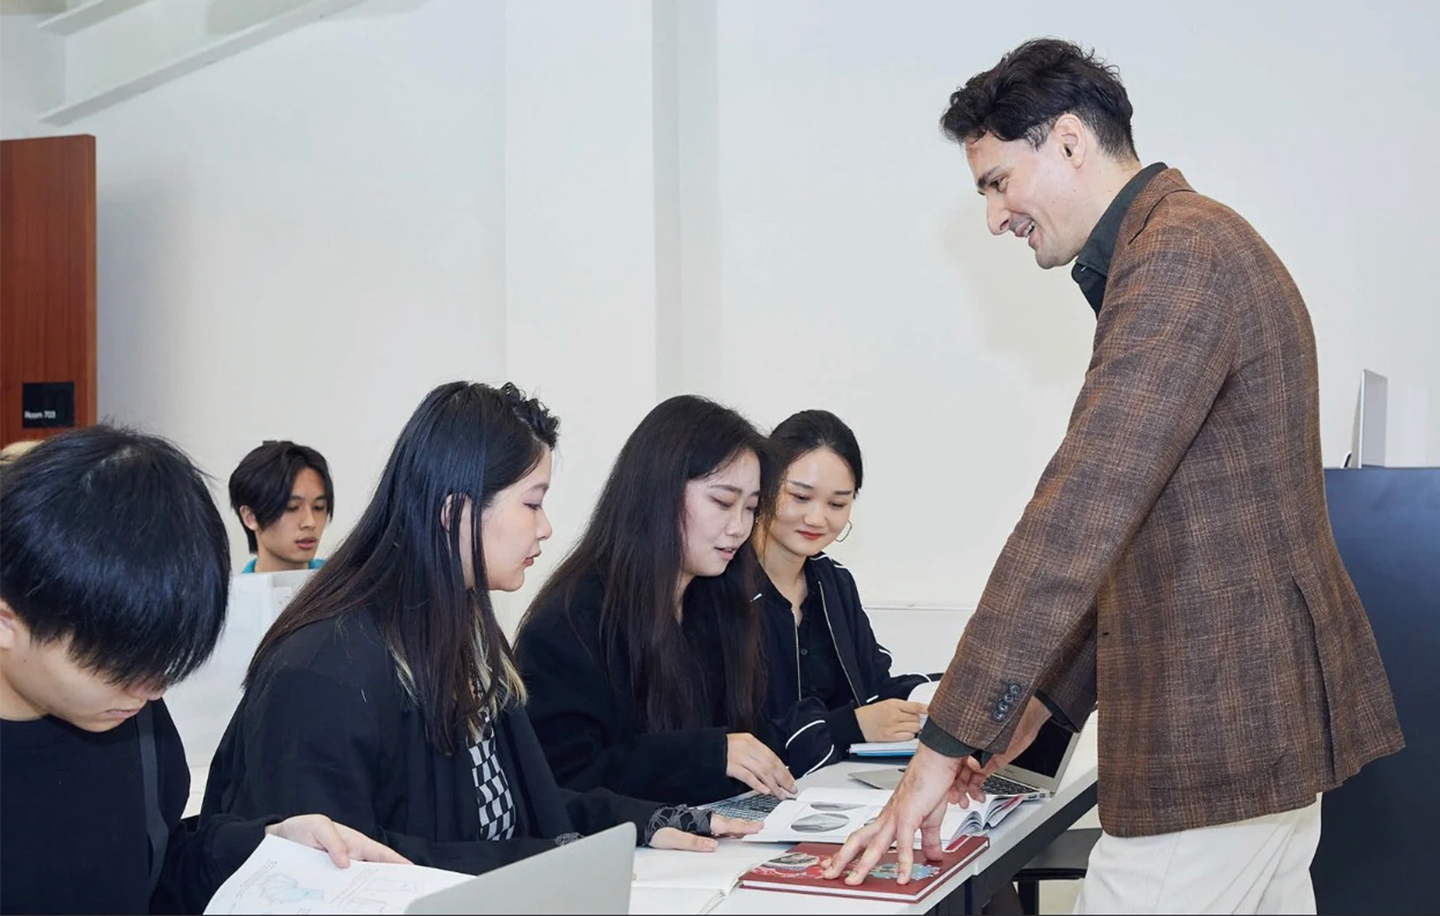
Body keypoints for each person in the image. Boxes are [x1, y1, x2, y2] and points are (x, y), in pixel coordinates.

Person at [826, 39, 1403, 914]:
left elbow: (1078, 518)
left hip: (1213, 741)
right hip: (1255, 739)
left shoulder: (1179, 255)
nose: (993, 217)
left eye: (995, 182)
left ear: (1067, 141)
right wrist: (1038, 709)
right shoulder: (1185, 244)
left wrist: (944, 745)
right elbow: (1148, 536)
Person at [202, 382, 757, 874]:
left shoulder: (465, 635)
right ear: (455, 512)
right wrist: (542, 864)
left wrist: (650, 822)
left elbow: (523, 808)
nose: (545, 528)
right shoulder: (325, 667)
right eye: (532, 504)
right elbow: (341, 870)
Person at [0, 427, 404, 916]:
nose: (152, 688)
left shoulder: (131, 718)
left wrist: (267, 846)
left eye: (164, 658)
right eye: (121, 662)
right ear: (8, 621)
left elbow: (157, 867)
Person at [516, 394, 798, 806]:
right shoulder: (571, 620)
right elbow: (565, 779)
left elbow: (754, 741)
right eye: (721, 502)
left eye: (751, 508)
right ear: (658, 493)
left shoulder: (720, 601)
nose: (739, 527)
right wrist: (706, 755)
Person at [752, 409, 934, 772]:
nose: (818, 519)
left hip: (833, 789)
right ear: (765, 486)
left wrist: (930, 696)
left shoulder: (833, 582)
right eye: (800, 497)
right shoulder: (721, 587)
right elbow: (734, 737)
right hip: (749, 799)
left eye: (837, 504)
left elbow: (872, 684)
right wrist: (850, 726)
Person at [228, 440, 333, 573]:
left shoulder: (347, 585)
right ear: (250, 517)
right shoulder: (234, 593)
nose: (310, 522)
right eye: (292, 507)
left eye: (318, 507)